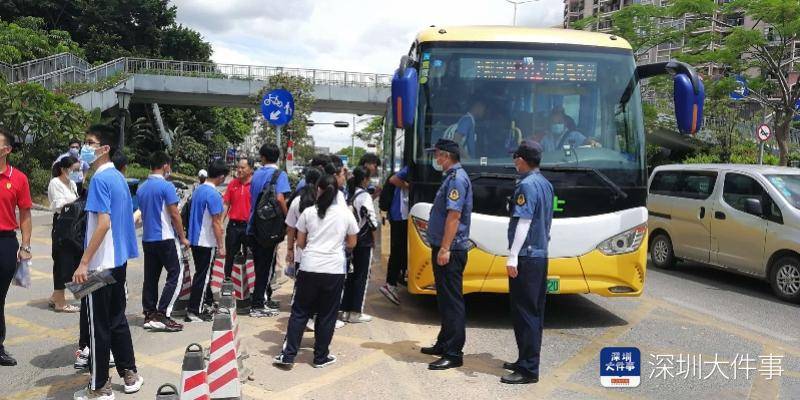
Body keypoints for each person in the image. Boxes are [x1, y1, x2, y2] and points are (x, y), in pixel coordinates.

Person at [72, 124, 143, 398]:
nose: (85, 147)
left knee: (96, 325)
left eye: (90, 142)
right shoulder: (118, 178)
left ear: (104, 149)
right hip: (118, 261)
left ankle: (99, 386)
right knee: (116, 319)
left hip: (100, 264)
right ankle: (129, 373)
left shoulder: (100, 180)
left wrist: (83, 263)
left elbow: (102, 224)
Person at [272, 174, 358, 369]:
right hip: (334, 269)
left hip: (309, 267)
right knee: (327, 314)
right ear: (337, 192)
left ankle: (288, 355)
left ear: (318, 190)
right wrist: (338, 246)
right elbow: (352, 242)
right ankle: (320, 357)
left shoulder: (309, 212)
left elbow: (300, 242)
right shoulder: (345, 214)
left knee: (300, 312)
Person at [502, 140, 553, 384]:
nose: (514, 162)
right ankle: (524, 359)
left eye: (515, 158)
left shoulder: (527, 186)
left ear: (522, 160)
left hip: (527, 256)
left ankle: (528, 369)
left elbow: (523, 222)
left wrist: (513, 256)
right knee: (531, 311)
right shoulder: (545, 184)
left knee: (526, 313)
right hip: (539, 255)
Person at [420, 138, 472, 371]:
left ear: (447, 156)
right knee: (443, 298)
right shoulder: (451, 178)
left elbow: (454, 217)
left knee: (452, 301)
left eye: (438, 155)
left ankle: (453, 352)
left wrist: (445, 248)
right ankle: (443, 343)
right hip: (444, 246)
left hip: (450, 249)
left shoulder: (457, 180)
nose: (436, 159)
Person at [137, 152, 189, 332]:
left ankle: (149, 314)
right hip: (165, 238)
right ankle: (163, 314)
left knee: (150, 277)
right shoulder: (166, 187)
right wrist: (182, 237)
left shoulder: (142, 188)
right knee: (176, 273)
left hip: (148, 239)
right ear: (166, 166)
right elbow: (175, 214)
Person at [0, 128, 32, 367]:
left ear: (7, 149)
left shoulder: (18, 178)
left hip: (5, 242)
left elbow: (26, 215)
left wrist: (26, 246)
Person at [247, 144, 290, 318]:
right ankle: (258, 304)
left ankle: (260, 299)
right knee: (266, 267)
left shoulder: (256, 174)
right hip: (269, 228)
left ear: (263, 157)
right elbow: (280, 198)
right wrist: (288, 219)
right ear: (277, 158)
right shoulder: (280, 175)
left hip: (254, 225)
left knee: (260, 265)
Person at [185, 160, 228, 322]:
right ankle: (195, 311)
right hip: (206, 240)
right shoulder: (214, 194)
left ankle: (202, 304)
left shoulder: (198, 190)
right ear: (222, 177)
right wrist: (221, 246)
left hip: (195, 239)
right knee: (203, 276)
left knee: (201, 274)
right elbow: (217, 223)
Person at [340, 166, 378, 323]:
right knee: (362, 276)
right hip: (363, 240)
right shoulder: (365, 196)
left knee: (350, 274)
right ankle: (356, 312)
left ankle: (345, 310)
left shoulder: (349, 194)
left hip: (350, 239)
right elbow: (371, 221)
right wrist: (375, 240)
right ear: (364, 180)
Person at [47, 156, 82, 313]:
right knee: (62, 261)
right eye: (74, 170)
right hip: (62, 225)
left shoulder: (73, 184)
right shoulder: (55, 183)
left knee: (71, 261)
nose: (76, 173)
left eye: (78, 170)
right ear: (63, 169)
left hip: (73, 226)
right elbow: (59, 205)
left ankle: (56, 297)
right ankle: (60, 303)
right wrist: (75, 203)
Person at [379, 165, 409, 305]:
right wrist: (410, 187)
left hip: (402, 216)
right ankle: (389, 284)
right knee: (397, 250)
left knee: (402, 249)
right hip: (399, 215)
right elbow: (394, 179)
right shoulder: (410, 168)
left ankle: (398, 278)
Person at [222, 158, 254, 279]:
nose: (239, 170)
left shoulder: (255, 184)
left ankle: (248, 284)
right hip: (234, 226)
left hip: (249, 226)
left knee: (250, 256)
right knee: (230, 255)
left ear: (250, 169)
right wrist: (221, 223)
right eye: (238, 167)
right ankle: (228, 280)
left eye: (242, 168)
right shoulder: (233, 184)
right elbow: (226, 204)